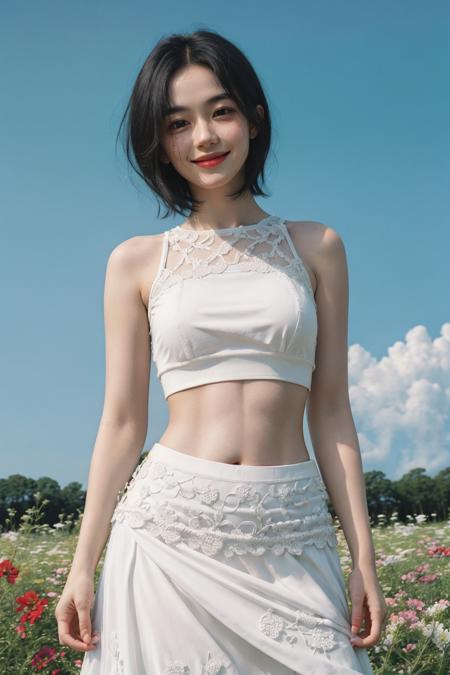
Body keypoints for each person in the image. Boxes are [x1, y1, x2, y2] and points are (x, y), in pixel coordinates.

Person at [55, 28, 387, 674]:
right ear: (159, 140)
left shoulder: (317, 247)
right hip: (168, 534)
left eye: (221, 111)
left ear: (254, 119)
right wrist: (81, 564)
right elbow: (123, 422)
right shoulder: (135, 262)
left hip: (291, 529)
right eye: (178, 122)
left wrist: (364, 558)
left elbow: (332, 412)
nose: (204, 137)